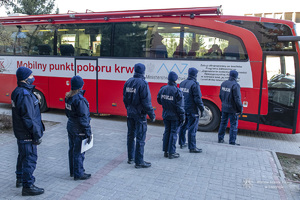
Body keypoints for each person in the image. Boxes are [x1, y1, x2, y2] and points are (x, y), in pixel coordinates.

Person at [11, 66, 45, 196]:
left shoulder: (18, 91)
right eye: (31, 76)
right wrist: (36, 135)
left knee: (22, 156)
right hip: (27, 133)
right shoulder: (24, 94)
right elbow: (29, 118)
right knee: (29, 159)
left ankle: (20, 178)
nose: (33, 77)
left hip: (21, 132)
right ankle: (28, 186)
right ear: (25, 78)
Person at [123, 63, 156, 168]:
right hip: (140, 115)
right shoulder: (143, 84)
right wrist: (152, 114)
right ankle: (139, 161)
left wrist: (128, 109)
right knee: (140, 138)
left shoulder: (128, 82)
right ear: (143, 71)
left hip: (130, 113)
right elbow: (146, 102)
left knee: (130, 136)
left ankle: (130, 158)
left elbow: (125, 99)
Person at [65, 75, 92, 180]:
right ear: (80, 86)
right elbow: (83, 118)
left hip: (71, 126)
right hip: (78, 129)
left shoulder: (68, 97)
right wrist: (88, 132)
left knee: (72, 149)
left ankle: (73, 171)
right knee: (79, 151)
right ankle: (79, 173)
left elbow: (68, 113)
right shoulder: (80, 100)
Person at [157, 71, 185, 159]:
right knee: (173, 133)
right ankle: (171, 153)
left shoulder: (163, 89)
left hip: (165, 114)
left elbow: (159, 101)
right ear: (175, 80)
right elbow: (179, 106)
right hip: (174, 116)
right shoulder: (177, 91)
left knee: (167, 132)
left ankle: (165, 151)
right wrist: (182, 116)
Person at [178, 67, 205, 153]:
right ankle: (192, 147)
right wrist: (202, 109)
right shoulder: (195, 84)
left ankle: (182, 143)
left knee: (183, 125)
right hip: (192, 109)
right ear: (195, 75)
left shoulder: (182, 83)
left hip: (183, 108)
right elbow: (197, 98)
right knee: (192, 128)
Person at [218, 70, 243, 145]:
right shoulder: (235, 85)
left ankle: (220, 138)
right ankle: (232, 141)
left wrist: (224, 102)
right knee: (233, 125)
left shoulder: (224, 83)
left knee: (223, 123)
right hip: (233, 109)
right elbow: (237, 99)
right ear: (236, 76)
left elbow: (220, 95)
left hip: (224, 107)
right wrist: (240, 109)